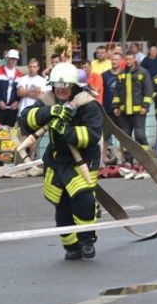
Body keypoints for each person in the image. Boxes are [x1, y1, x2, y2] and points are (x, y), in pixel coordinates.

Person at [20, 62, 103, 260]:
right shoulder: (48, 99)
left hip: (83, 159)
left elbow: (92, 135)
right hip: (58, 159)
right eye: (57, 85)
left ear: (73, 85)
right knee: (62, 204)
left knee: (84, 199)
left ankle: (86, 240)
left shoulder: (87, 104)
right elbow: (26, 119)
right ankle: (71, 246)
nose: (61, 89)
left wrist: (66, 131)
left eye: (65, 85)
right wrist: (50, 112)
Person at [112, 51, 153, 156]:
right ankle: (128, 162)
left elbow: (148, 91)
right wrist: (116, 106)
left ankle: (145, 159)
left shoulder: (143, 72)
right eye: (127, 59)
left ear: (135, 59)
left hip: (138, 112)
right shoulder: (121, 74)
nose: (128, 61)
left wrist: (145, 106)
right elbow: (116, 91)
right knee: (126, 138)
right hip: (124, 112)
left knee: (140, 136)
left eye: (130, 59)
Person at [0, 49, 22, 127]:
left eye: (15, 59)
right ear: (7, 58)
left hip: (12, 109)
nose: (12, 61)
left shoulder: (19, 73)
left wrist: (17, 101)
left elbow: (20, 90)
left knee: (10, 133)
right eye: (11, 58)